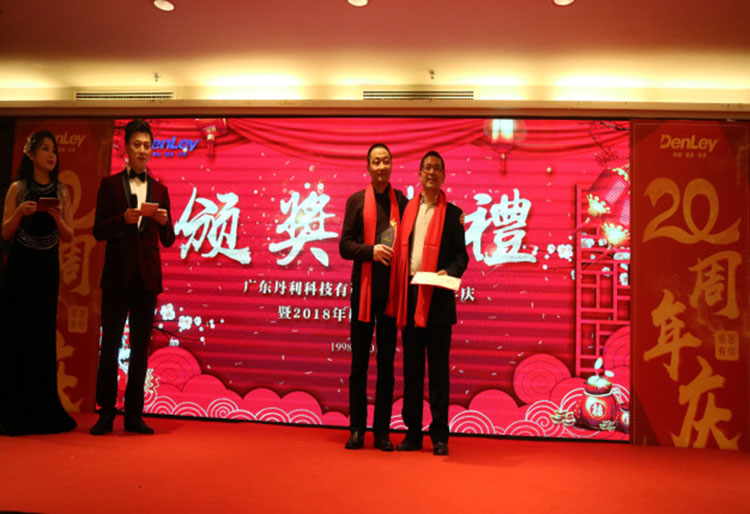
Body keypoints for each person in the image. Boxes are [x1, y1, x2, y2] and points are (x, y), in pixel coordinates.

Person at [90, 119, 175, 435]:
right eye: (137, 144)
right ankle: (105, 413)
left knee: (140, 349)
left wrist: (164, 222)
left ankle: (134, 415)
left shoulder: (161, 190)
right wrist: (121, 219)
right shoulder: (110, 185)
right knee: (110, 346)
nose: (142, 150)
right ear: (126, 148)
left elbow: (169, 239)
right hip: (116, 277)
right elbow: (98, 230)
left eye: (147, 146)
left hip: (146, 280)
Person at [388, 150, 468, 456]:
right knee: (411, 371)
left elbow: (461, 256)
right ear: (420, 175)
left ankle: (440, 436)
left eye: (437, 168)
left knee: (438, 373)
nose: (431, 173)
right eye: (426, 168)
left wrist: (450, 271)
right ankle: (412, 433)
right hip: (410, 297)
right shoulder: (407, 210)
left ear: (443, 176)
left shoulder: (453, 214)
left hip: (438, 300)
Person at [0, 130, 77, 436]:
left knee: (42, 335)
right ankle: (13, 410)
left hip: (46, 267)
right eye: (45, 149)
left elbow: (70, 235)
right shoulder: (17, 188)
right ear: (30, 154)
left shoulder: (62, 190)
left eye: (54, 150)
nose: (51, 155)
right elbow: (5, 232)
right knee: (16, 335)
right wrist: (20, 212)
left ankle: (42, 410)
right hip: (20, 267)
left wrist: (58, 218)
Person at [339, 143, 408, 451]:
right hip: (363, 296)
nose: (381, 166)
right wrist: (371, 251)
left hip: (391, 296)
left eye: (386, 161)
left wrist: (456, 219)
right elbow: (344, 246)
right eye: (376, 162)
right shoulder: (356, 201)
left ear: (392, 165)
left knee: (386, 368)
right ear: (368, 167)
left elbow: (424, 225)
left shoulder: (402, 202)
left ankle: (381, 432)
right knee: (359, 365)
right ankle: (356, 429)